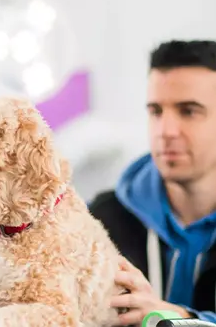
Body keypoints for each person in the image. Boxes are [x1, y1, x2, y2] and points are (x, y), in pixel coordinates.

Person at [89, 40, 216, 325]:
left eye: (189, 111)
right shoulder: (99, 218)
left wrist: (176, 319)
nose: (165, 131)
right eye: (156, 111)